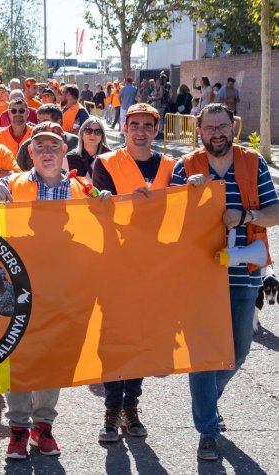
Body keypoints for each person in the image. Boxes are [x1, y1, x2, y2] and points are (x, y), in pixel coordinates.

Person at [0, 124, 111, 460]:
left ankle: (43, 426)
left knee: (54, 357)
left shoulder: (83, 187)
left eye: (55, 145)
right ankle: (18, 429)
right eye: (41, 147)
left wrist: (111, 202)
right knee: (19, 357)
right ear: (31, 153)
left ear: (64, 151)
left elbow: (110, 218)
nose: (48, 152)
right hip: (18, 286)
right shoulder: (12, 184)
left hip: (64, 288)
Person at [172, 103, 279, 461]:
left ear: (233, 127)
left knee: (239, 351)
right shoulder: (184, 168)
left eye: (222, 126)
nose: (216, 133)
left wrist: (246, 215)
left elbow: (274, 211)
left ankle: (207, 402)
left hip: (243, 273)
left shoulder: (252, 162)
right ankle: (207, 429)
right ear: (198, 131)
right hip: (197, 276)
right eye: (209, 128)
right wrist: (187, 193)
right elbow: (167, 220)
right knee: (204, 356)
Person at [93, 103, 175, 443]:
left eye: (147, 125)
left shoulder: (171, 166)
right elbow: (100, 209)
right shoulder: (106, 163)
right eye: (134, 125)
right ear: (124, 128)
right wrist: (125, 200)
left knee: (141, 338)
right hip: (115, 264)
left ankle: (131, 407)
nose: (140, 131)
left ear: (156, 130)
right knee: (113, 339)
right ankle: (111, 410)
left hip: (154, 267)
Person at [16, 105, 79, 171]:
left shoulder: (75, 142)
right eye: (39, 121)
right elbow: (18, 172)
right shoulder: (28, 144)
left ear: (58, 122)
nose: (41, 125)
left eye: (45, 121)